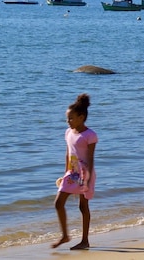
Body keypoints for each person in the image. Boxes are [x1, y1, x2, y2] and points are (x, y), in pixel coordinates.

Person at [52, 93, 98, 249]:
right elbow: (68, 153)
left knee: (83, 207)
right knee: (58, 203)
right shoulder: (68, 133)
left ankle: (85, 241)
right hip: (71, 174)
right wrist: (65, 172)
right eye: (67, 118)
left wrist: (88, 178)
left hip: (85, 174)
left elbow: (90, 158)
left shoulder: (90, 135)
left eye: (71, 118)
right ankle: (65, 235)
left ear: (81, 117)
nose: (68, 121)